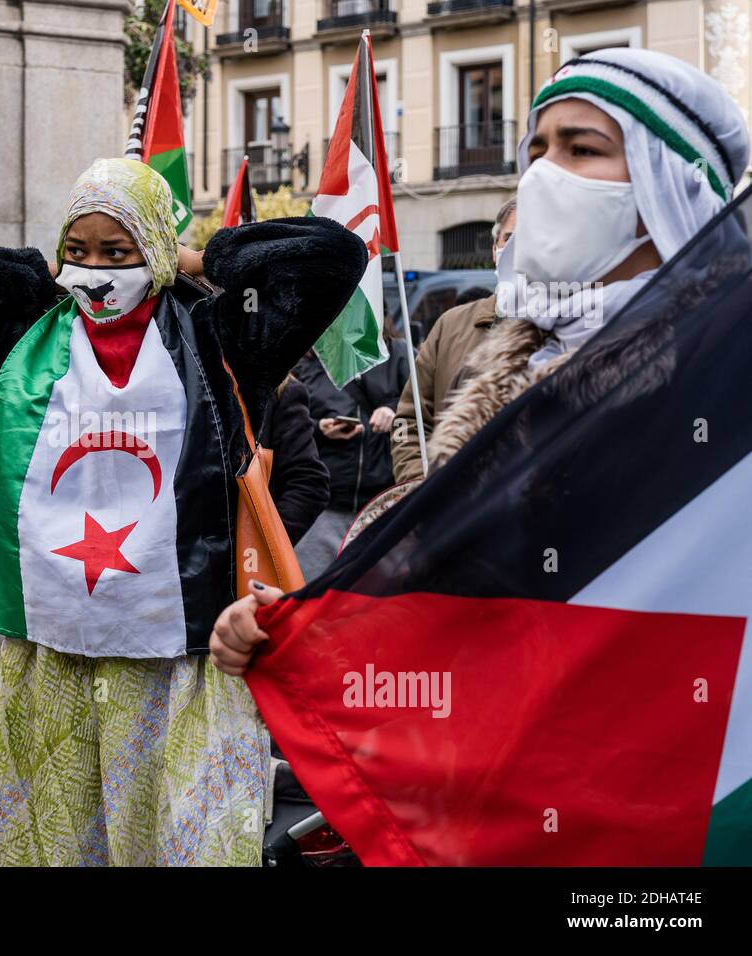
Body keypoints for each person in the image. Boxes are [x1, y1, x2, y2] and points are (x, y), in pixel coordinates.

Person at [0, 157, 364, 865]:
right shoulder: (27, 339)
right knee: (68, 839)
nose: (97, 272)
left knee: (182, 836)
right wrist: (43, 272)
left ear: (157, 254)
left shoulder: (220, 336)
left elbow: (330, 255)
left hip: (182, 645)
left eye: (117, 252)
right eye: (79, 252)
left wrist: (191, 256)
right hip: (54, 643)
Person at [209, 47, 749, 677]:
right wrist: (304, 622)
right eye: (539, 150)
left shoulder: (725, 361)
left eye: (582, 149)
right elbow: (462, 578)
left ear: (670, 183)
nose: (546, 172)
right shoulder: (519, 353)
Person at [391, 198, 514, 483]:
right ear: (495, 250)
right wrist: (419, 486)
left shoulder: (568, 325)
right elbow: (410, 422)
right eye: (509, 238)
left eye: (528, 238)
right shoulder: (450, 325)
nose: (516, 249)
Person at [291, 331, 409, 576]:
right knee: (311, 596)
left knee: (374, 600)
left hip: (383, 506)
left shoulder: (399, 354)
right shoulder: (307, 361)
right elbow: (286, 425)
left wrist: (394, 410)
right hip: (324, 510)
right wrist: (319, 428)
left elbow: (424, 404)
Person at [258, 375, 329, 544]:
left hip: (245, 556)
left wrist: (264, 544)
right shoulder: (190, 380)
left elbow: (309, 483)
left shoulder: (283, 390)